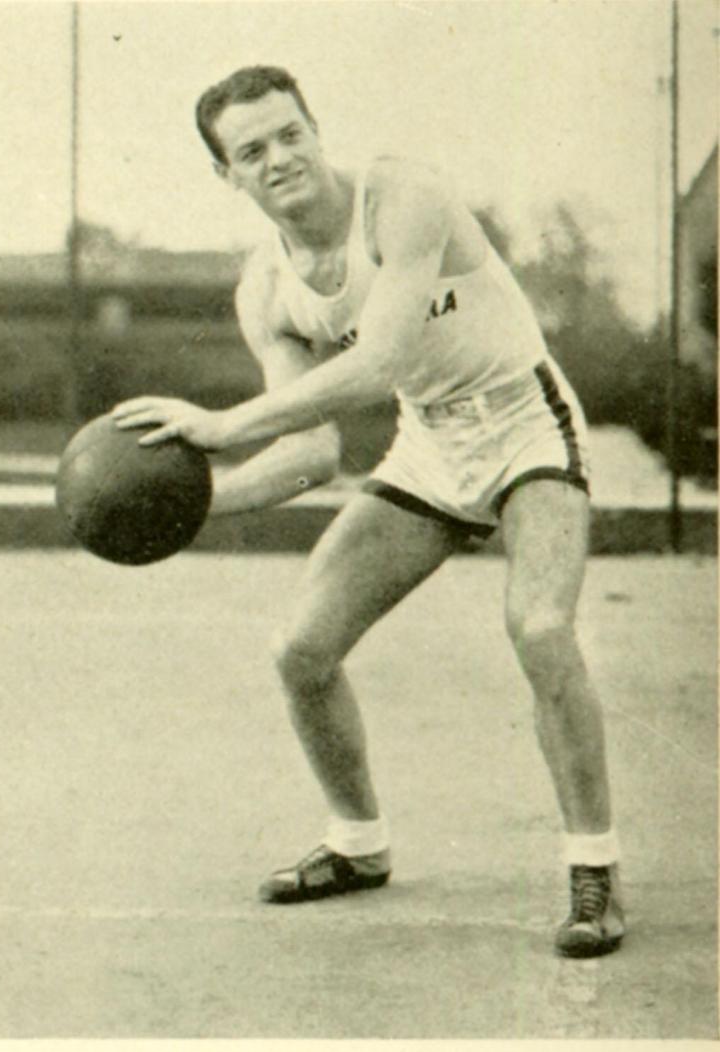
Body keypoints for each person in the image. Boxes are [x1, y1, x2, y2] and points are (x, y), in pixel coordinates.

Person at [112, 65, 625, 958]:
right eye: (252, 151)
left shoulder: (401, 198)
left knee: (542, 629)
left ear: (316, 131)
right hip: (431, 446)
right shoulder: (267, 290)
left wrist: (224, 425)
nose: (280, 159)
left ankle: (595, 872)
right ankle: (357, 842)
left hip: (526, 422)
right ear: (226, 174)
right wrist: (191, 507)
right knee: (301, 648)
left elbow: (381, 359)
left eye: (290, 134)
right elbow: (313, 452)